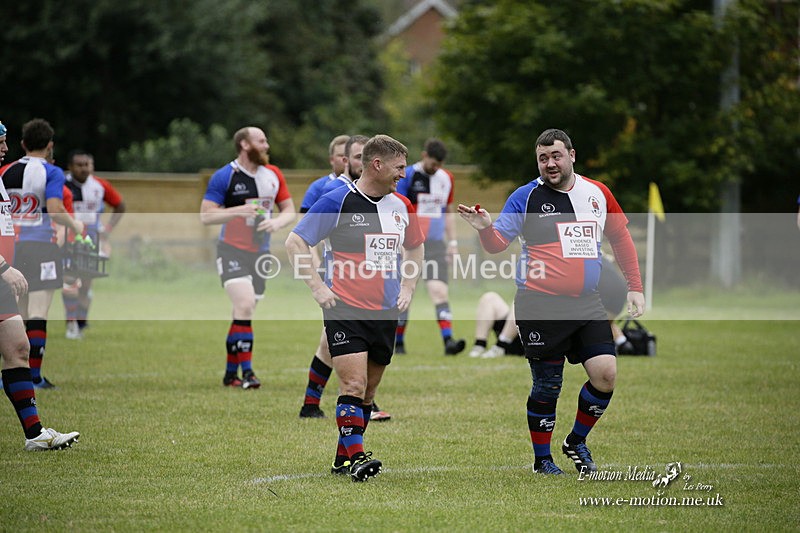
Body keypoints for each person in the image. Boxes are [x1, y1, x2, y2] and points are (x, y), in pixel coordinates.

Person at [458, 128, 645, 476]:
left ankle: (576, 440)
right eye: (543, 158)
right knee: (548, 385)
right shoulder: (525, 198)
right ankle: (542, 461)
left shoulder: (598, 193)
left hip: (587, 303)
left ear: (572, 155)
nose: (549, 164)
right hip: (538, 304)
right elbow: (497, 243)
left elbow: (620, 238)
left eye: (556, 156)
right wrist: (485, 227)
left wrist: (635, 286)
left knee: (606, 374)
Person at [286, 134, 424, 481]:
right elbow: (295, 242)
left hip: (384, 312)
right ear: (377, 164)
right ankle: (359, 457)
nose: (403, 175)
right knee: (353, 385)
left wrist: (407, 286)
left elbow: (416, 248)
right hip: (344, 308)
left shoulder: (403, 206)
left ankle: (341, 458)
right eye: (399, 167)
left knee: (369, 392)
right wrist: (317, 286)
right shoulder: (338, 201)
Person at [297, 135, 392, 421]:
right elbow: (304, 235)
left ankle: (319, 403)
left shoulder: (384, 196)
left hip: (373, 287)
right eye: (348, 155)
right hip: (337, 280)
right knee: (338, 342)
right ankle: (347, 400)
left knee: (330, 343)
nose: (351, 160)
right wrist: (315, 276)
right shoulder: (331, 190)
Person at [0, 119, 80, 449]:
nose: (4, 148)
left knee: (18, 345)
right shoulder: (51, 171)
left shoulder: (4, 175)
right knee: (38, 312)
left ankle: (35, 434)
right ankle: (37, 376)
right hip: (31, 252)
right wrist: (78, 228)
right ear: (50, 146)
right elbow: (53, 207)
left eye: (6, 141)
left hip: (11, 264)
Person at [200, 126, 295, 389]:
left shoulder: (273, 175)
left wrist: (277, 224)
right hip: (231, 249)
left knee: (243, 311)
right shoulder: (225, 176)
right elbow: (206, 215)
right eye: (261, 141)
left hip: (260, 253)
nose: (267, 145)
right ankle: (248, 374)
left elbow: (289, 210)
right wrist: (240, 210)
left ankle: (230, 375)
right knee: (244, 305)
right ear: (244, 144)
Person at [469, 257, 630, 359]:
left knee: (521, 299)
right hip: (518, 326)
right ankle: (479, 346)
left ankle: (500, 346)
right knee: (489, 298)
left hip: (535, 337)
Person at [395, 139, 465, 356]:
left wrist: (452, 243)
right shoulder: (407, 175)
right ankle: (397, 343)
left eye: (439, 165)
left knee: (439, 291)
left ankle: (448, 342)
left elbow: (448, 212)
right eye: (433, 163)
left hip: (435, 245)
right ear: (424, 155)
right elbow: (397, 210)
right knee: (405, 293)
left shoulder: (447, 179)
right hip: (410, 245)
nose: (435, 169)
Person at [61, 149, 126, 340]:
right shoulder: (61, 183)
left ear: (92, 166)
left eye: (87, 164)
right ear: (71, 167)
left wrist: (107, 230)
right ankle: (71, 323)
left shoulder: (100, 186)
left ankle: (80, 322)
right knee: (70, 280)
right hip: (67, 237)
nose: (83, 168)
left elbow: (120, 205)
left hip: (90, 239)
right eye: (79, 165)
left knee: (85, 285)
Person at [299, 135, 349, 214]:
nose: (345, 159)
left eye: (348, 155)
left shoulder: (361, 186)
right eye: (341, 155)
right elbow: (303, 219)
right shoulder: (317, 187)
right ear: (331, 160)